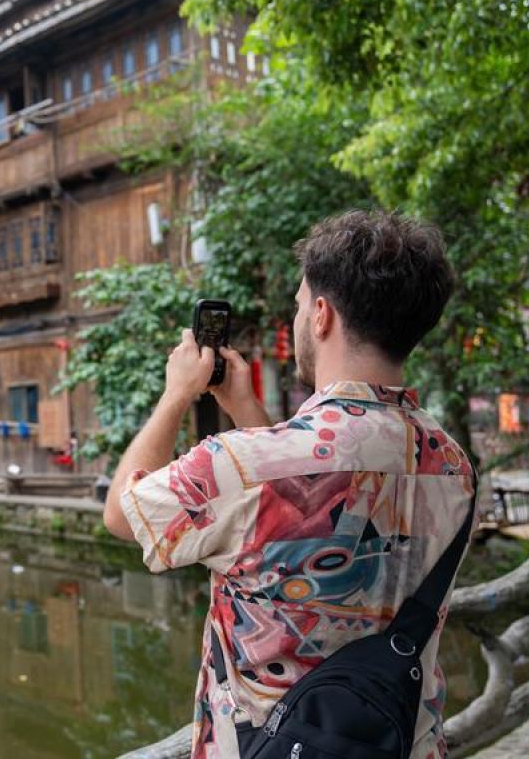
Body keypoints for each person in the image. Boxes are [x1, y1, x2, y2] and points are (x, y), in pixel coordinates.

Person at [103, 211, 473, 759]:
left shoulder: (239, 465)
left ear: (321, 315)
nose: (299, 315)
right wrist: (247, 409)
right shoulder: (452, 464)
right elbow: (299, 485)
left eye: (300, 304)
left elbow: (121, 514)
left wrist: (176, 395)